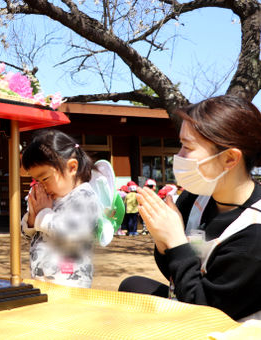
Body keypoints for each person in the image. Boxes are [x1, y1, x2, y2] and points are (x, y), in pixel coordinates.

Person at [119, 95, 261, 321]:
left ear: (229, 159)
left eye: (187, 147)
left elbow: (206, 313)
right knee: (132, 286)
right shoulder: (196, 197)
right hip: (190, 299)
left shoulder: (254, 234)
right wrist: (163, 241)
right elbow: (174, 274)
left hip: (222, 323)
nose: (178, 156)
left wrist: (175, 241)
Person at [20, 129, 99, 288]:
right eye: (37, 181)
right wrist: (32, 217)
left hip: (70, 282)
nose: (41, 185)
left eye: (45, 178)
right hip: (43, 280)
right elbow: (30, 235)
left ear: (72, 167)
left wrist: (43, 214)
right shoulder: (53, 198)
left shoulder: (85, 197)